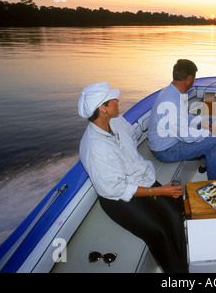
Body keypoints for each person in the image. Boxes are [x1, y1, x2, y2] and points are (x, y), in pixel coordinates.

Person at [78, 82, 188, 273]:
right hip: (118, 199)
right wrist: (161, 190)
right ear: (102, 109)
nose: (117, 100)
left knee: (175, 215)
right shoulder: (95, 149)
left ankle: (184, 268)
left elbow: (132, 137)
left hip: (142, 180)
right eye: (112, 99)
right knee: (158, 232)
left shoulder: (117, 121)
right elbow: (117, 189)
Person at [148, 59, 216, 181]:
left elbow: (183, 117)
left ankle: (204, 164)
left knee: (206, 120)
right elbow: (186, 136)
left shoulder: (172, 92)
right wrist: (209, 133)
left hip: (171, 139)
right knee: (215, 143)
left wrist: (203, 122)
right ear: (189, 79)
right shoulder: (171, 101)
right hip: (165, 150)